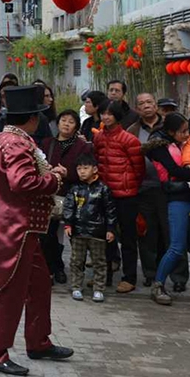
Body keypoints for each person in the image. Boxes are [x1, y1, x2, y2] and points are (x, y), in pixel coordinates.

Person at [0, 86, 72, 376]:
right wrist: (53, 178)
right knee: (10, 291)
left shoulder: (8, 138)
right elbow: (23, 183)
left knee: (39, 284)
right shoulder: (16, 143)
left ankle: (38, 341)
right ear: (32, 118)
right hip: (16, 227)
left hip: (21, 226)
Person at [146, 114, 190, 308]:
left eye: (188, 130)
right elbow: (173, 170)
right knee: (177, 247)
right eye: (183, 131)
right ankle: (158, 285)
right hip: (177, 198)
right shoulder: (159, 146)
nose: (187, 134)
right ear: (171, 131)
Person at [93, 100, 145, 293]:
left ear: (117, 116)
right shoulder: (99, 138)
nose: (106, 117)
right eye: (103, 114)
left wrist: (129, 185)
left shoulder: (128, 139)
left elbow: (139, 169)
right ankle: (104, 276)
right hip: (105, 194)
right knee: (104, 236)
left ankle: (129, 277)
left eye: (110, 114)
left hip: (126, 194)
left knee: (128, 237)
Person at [42, 110, 93, 283]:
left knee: (75, 236)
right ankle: (54, 268)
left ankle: (74, 273)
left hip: (74, 196)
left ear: (77, 126)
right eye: (63, 120)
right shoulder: (47, 143)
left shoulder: (83, 146)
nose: (66, 124)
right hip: (51, 195)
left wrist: (68, 173)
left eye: (71, 122)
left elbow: (87, 169)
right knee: (48, 235)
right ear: (57, 123)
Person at [63, 152, 117, 303]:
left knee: (100, 261)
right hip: (78, 231)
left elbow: (110, 211)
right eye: (79, 168)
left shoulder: (103, 189)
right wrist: (68, 224)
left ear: (94, 169)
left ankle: (99, 289)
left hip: (98, 232)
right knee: (76, 260)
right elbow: (68, 207)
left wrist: (110, 229)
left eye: (85, 168)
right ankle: (76, 287)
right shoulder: (74, 189)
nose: (81, 171)